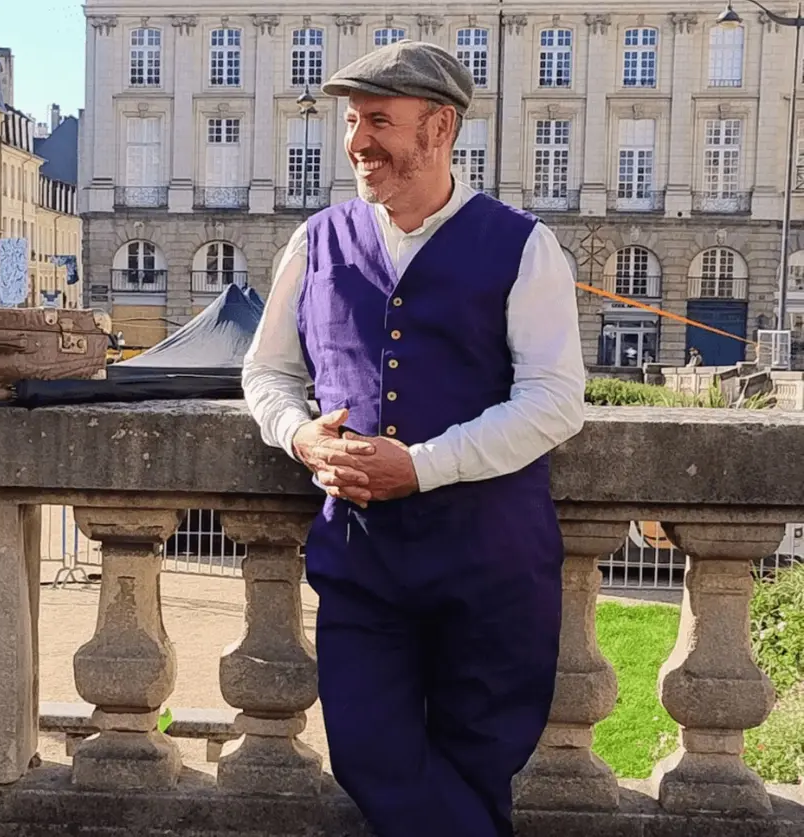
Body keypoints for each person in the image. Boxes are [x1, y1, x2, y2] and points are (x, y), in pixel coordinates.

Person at [242, 40, 586, 837]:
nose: (359, 141)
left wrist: (423, 466)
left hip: (492, 567)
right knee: (369, 755)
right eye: (354, 121)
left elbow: (556, 400)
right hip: (365, 563)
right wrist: (301, 437)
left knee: (476, 765)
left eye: (379, 121)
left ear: (440, 127)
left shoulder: (523, 246)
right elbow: (266, 373)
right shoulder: (316, 242)